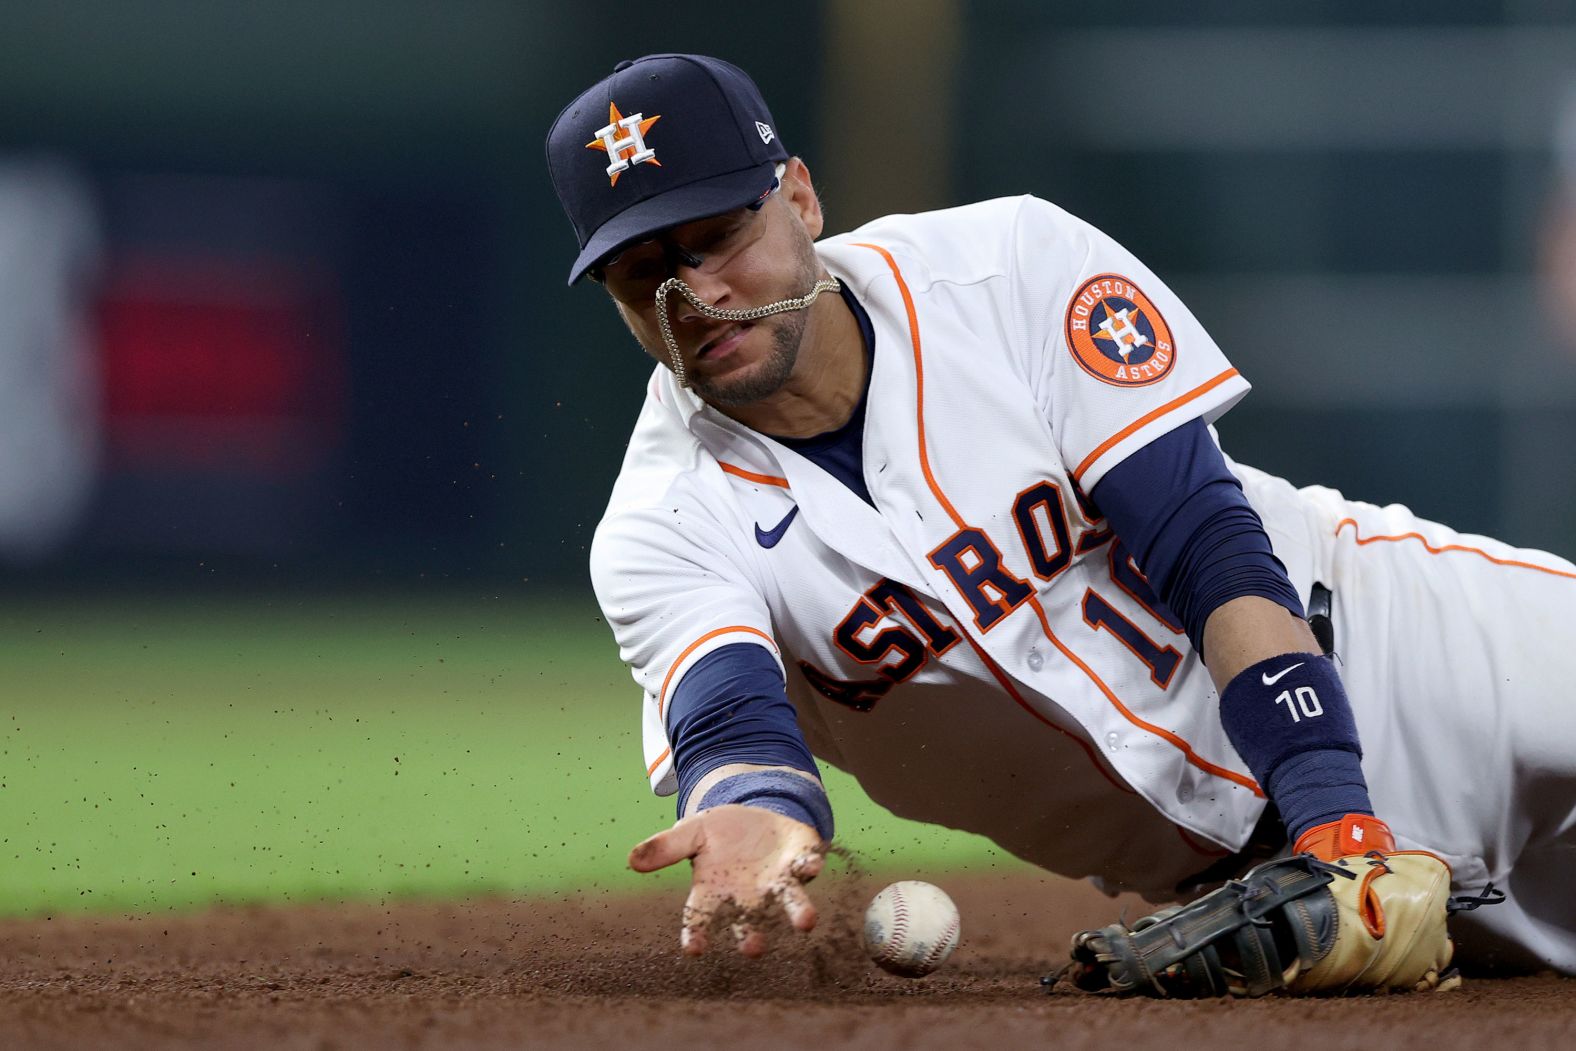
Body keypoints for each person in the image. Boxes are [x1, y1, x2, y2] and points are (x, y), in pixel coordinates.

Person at [546, 54, 1576, 981]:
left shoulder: (1007, 270)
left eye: (720, 236)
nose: (697, 295)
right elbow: (735, 729)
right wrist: (752, 814)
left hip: (1412, 657)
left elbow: (1202, 543)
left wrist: (1333, 817)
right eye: (645, 276)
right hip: (1245, 886)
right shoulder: (661, 525)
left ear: (802, 200)